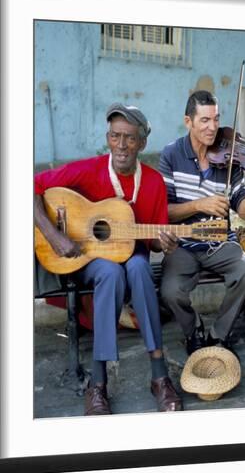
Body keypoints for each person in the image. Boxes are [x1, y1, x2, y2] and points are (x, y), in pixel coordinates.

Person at [34, 103, 182, 415]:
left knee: (140, 266)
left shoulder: (153, 182)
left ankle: (159, 375)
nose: (122, 145)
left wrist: (165, 243)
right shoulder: (89, 169)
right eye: (116, 137)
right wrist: (53, 234)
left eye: (129, 138)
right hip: (88, 257)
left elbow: (154, 243)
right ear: (108, 138)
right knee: (110, 273)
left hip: (134, 253)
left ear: (142, 143)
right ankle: (98, 383)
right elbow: (31, 186)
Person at [159, 90, 245, 355]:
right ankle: (193, 330)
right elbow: (165, 212)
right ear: (188, 121)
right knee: (170, 291)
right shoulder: (171, 155)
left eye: (216, 119)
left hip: (219, 242)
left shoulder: (230, 157)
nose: (213, 127)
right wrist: (198, 205)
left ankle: (218, 335)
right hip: (183, 243)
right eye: (204, 120)